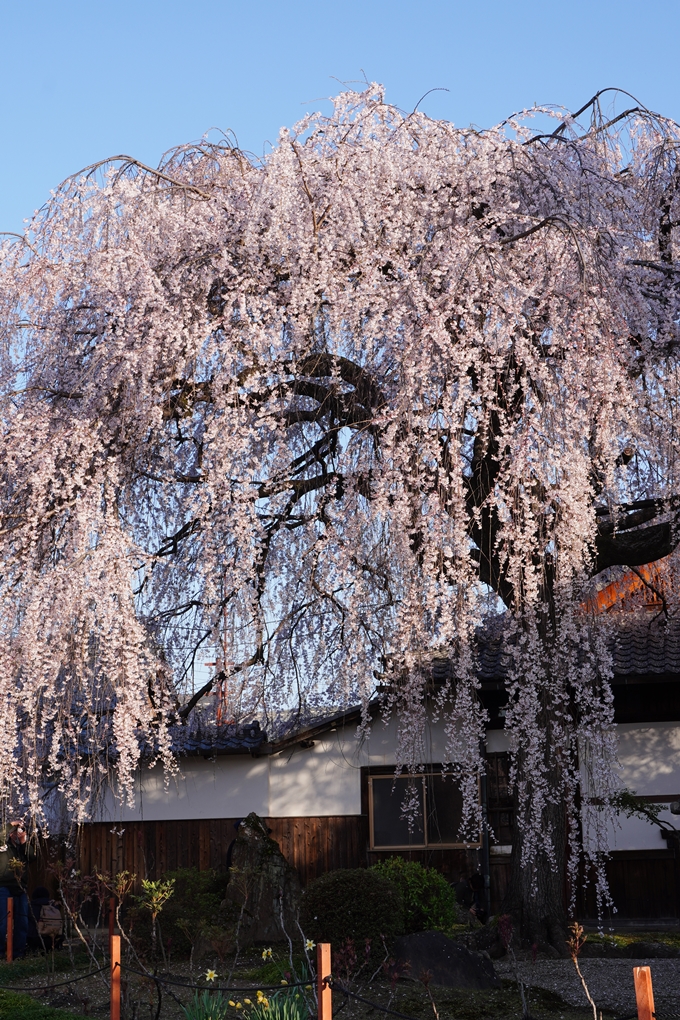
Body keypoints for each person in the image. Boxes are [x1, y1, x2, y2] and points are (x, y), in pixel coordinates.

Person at [0, 820, 35, 957]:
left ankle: (18, 953)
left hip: (20, 886)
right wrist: (11, 824)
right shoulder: (3, 846)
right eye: (16, 831)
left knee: (22, 921)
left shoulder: (22, 848)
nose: (17, 833)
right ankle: (1, 953)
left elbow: (32, 856)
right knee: (2, 921)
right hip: (3, 884)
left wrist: (24, 842)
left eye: (20, 831)